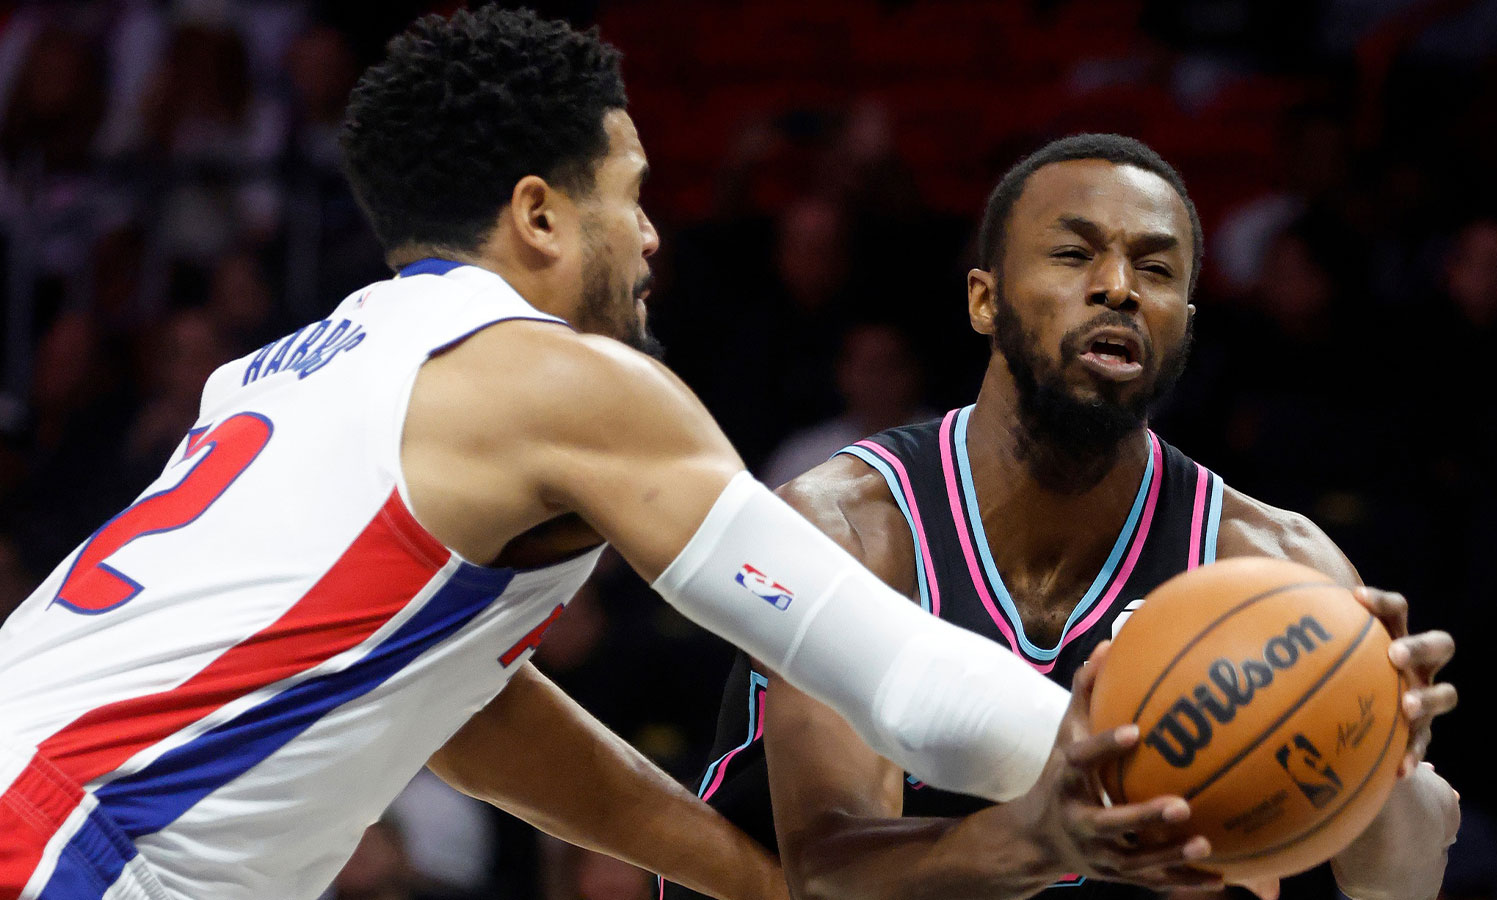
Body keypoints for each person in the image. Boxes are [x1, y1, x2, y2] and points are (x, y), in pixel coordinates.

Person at [0, 11, 1199, 900]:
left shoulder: (280, 372)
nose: (651, 233)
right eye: (631, 194)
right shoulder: (562, 379)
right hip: (74, 846)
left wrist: (752, 884)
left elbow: (458, 707)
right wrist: (1184, 771)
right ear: (537, 215)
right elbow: (902, 685)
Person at [663, 135, 1461, 900]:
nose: (1119, 285)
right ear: (984, 299)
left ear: (1185, 321)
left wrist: (1387, 759)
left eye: (1154, 268)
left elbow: (1393, 881)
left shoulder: (1278, 566)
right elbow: (830, 871)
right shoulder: (851, 524)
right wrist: (1047, 839)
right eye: (1075, 254)